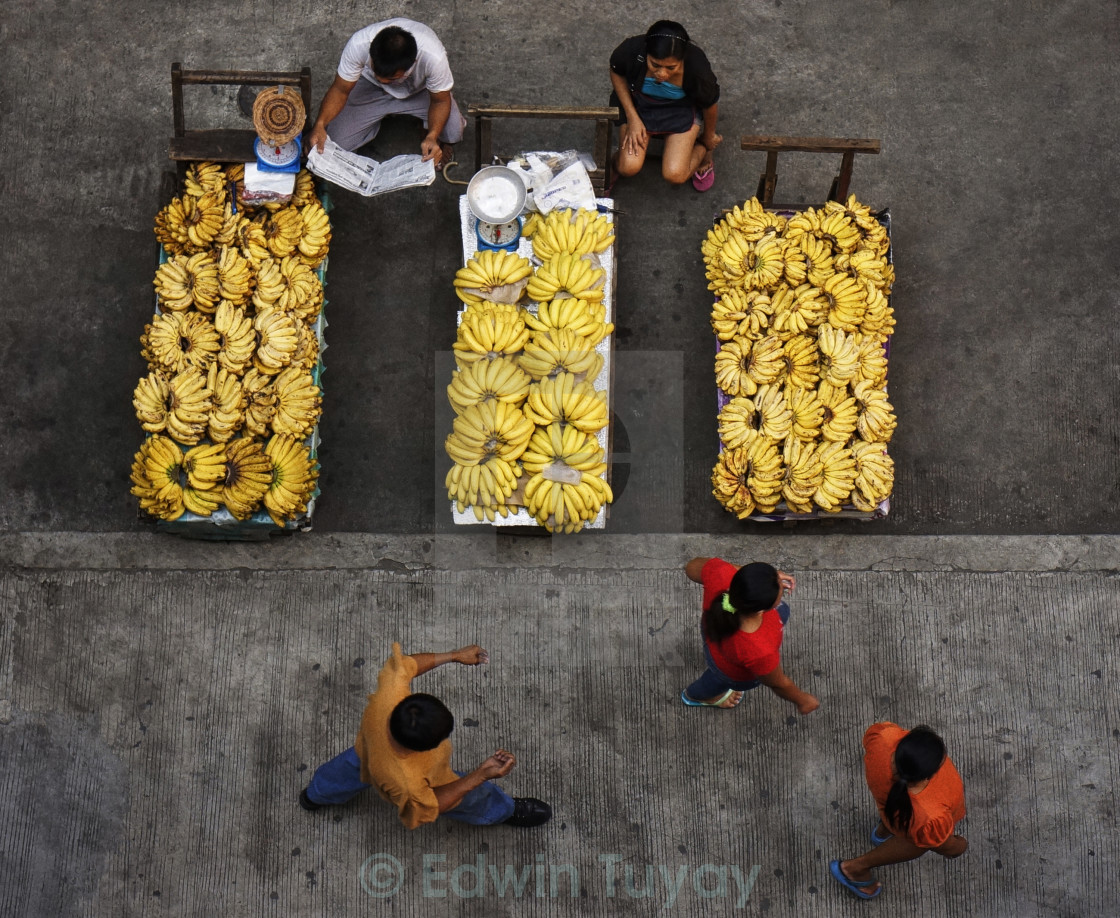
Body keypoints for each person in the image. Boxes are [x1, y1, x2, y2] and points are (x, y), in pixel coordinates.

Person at [299, 642, 551, 829]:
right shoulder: (407, 780)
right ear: (422, 748)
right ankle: (503, 811)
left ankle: (315, 795)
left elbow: (404, 665)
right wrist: (480, 775)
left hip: (366, 751)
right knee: (470, 797)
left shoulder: (390, 697)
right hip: (416, 778)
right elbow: (432, 805)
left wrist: (454, 655)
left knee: (348, 768)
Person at [830, 723, 968, 900]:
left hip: (890, 809)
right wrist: (958, 847)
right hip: (910, 821)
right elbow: (942, 846)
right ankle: (854, 868)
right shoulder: (930, 818)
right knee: (918, 841)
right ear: (929, 776)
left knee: (894, 816)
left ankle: (884, 830)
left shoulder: (883, 738)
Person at [308, 18, 465, 168]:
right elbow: (340, 90)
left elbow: (440, 101)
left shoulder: (434, 58)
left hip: (419, 91)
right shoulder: (359, 43)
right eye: (376, 71)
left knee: (453, 132)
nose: (383, 80)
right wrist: (320, 124)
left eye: (391, 78)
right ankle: (375, 114)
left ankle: (426, 127)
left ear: (413, 63)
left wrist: (432, 135)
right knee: (333, 143)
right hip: (370, 88)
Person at [681, 558, 820, 713]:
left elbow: (692, 567)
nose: (780, 584)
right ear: (761, 609)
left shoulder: (720, 573)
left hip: (713, 632)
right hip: (729, 670)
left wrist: (767, 580)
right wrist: (802, 700)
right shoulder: (760, 651)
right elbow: (778, 684)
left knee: (784, 611)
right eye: (779, 592)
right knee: (715, 680)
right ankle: (696, 696)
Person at [609, 21, 722, 191]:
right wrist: (632, 118)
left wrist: (708, 136)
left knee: (675, 175)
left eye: (671, 68)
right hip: (640, 108)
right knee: (627, 167)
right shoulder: (631, 49)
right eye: (655, 64)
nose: (662, 74)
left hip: (680, 111)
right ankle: (614, 162)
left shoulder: (698, 69)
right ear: (646, 53)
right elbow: (616, 72)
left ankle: (703, 150)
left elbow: (710, 105)